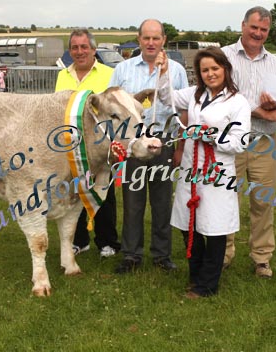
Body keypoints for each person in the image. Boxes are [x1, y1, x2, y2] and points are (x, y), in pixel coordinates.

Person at [155, 47, 250, 297]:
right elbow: (167, 98)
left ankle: (208, 284)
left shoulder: (238, 102)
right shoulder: (195, 94)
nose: (210, 74)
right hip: (191, 169)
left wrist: (212, 136)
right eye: (205, 70)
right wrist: (164, 72)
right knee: (189, 224)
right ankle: (196, 275)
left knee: (215, 227)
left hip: (217, 172)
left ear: (225, 69)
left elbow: (240, 142)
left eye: (215, 69)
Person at [109, 18, 189, 274]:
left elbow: (184, 110)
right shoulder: (123, 69)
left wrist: (179, 148)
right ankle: (131, 254)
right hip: (134, 144)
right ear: (139, 39)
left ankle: (161, 254)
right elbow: (112, 105)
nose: (151, 43)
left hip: (164, 140)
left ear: (164, 40)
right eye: (146, 38)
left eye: (156, 38)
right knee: (133, 202)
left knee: (162, 201)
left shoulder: (176, 70)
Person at [221, 6, 276, 278]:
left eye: (263, 30)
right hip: (231, 141)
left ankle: (262, 258)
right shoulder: (225, 56)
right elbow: (225, 95)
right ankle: (224, 253)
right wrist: (258, 109)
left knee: (263, 202)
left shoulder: (275, 63)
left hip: (264, 141)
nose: (258, 34)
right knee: (228, 199)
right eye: (254, 28)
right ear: (242, 26)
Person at [54, 28, 121, 258]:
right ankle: (79, 240)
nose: (79, 52)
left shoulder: (110, 74)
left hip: (101, 145)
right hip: (71, 145)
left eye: (84, 47)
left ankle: (107, 242)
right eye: (75, 47)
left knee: (104, 191)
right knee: (74, 193)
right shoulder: (63, 75)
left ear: (94, 49)